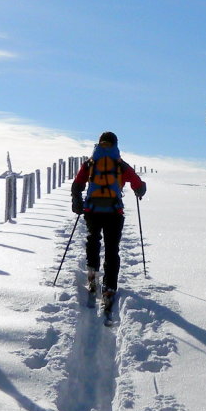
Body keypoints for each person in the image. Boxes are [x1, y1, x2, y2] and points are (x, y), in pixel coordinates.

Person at [70, 131, 146, 318]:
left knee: (93, 239)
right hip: (114, 212)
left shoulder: (90, 163)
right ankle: (109, 287)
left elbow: (77, 184)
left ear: (99, 143)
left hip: (92, 210)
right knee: (112, 249)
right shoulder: (120, 164)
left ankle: (92, 272)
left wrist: (77, 202)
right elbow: (137, 183)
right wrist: (140, 190)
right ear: (115, 144)